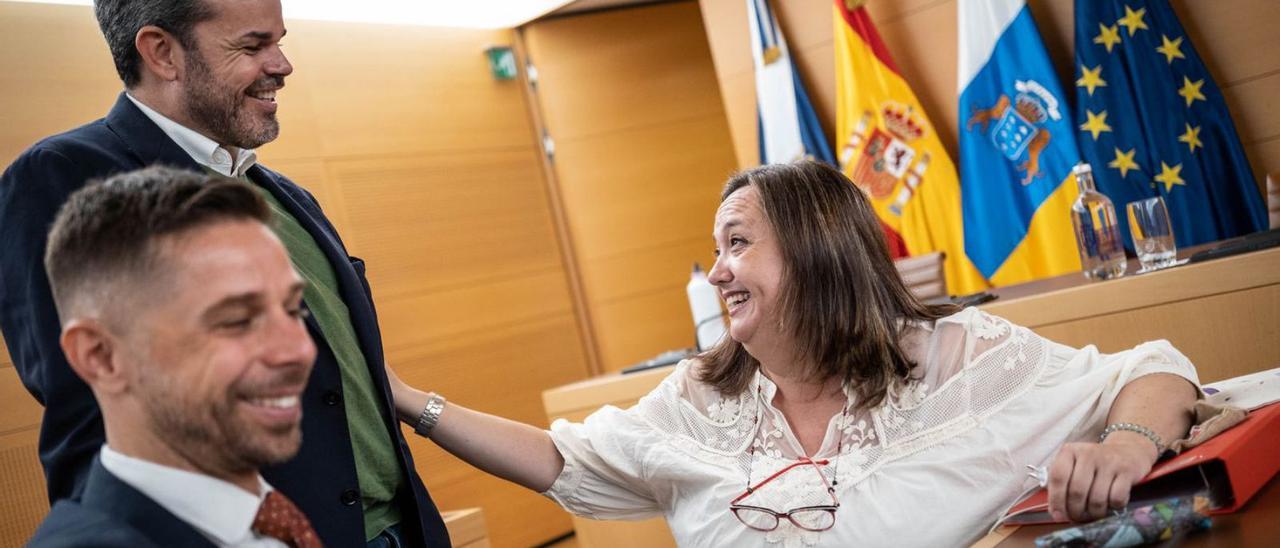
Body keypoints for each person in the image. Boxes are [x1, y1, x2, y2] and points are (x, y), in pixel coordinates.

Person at [385, 160, 1200, 546]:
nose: (716, 272)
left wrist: (1126, 444)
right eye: (716, 249)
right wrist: (407, 399)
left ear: (815, 251)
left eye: (736, 244)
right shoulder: (699, 401)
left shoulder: (956, 361)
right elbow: (560, 459)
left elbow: (1154, 368)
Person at [0, 1, 448, 545]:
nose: (283, 64)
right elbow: (85, 417)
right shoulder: (65, 175)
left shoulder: (288, 197)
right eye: (253, 46)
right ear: (162, 52)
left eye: (280, 41)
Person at [29, 167, 321, 547]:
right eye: (237, 320)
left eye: (294, 310)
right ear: (101, 356)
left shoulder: (271, 517)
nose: (299, 351)